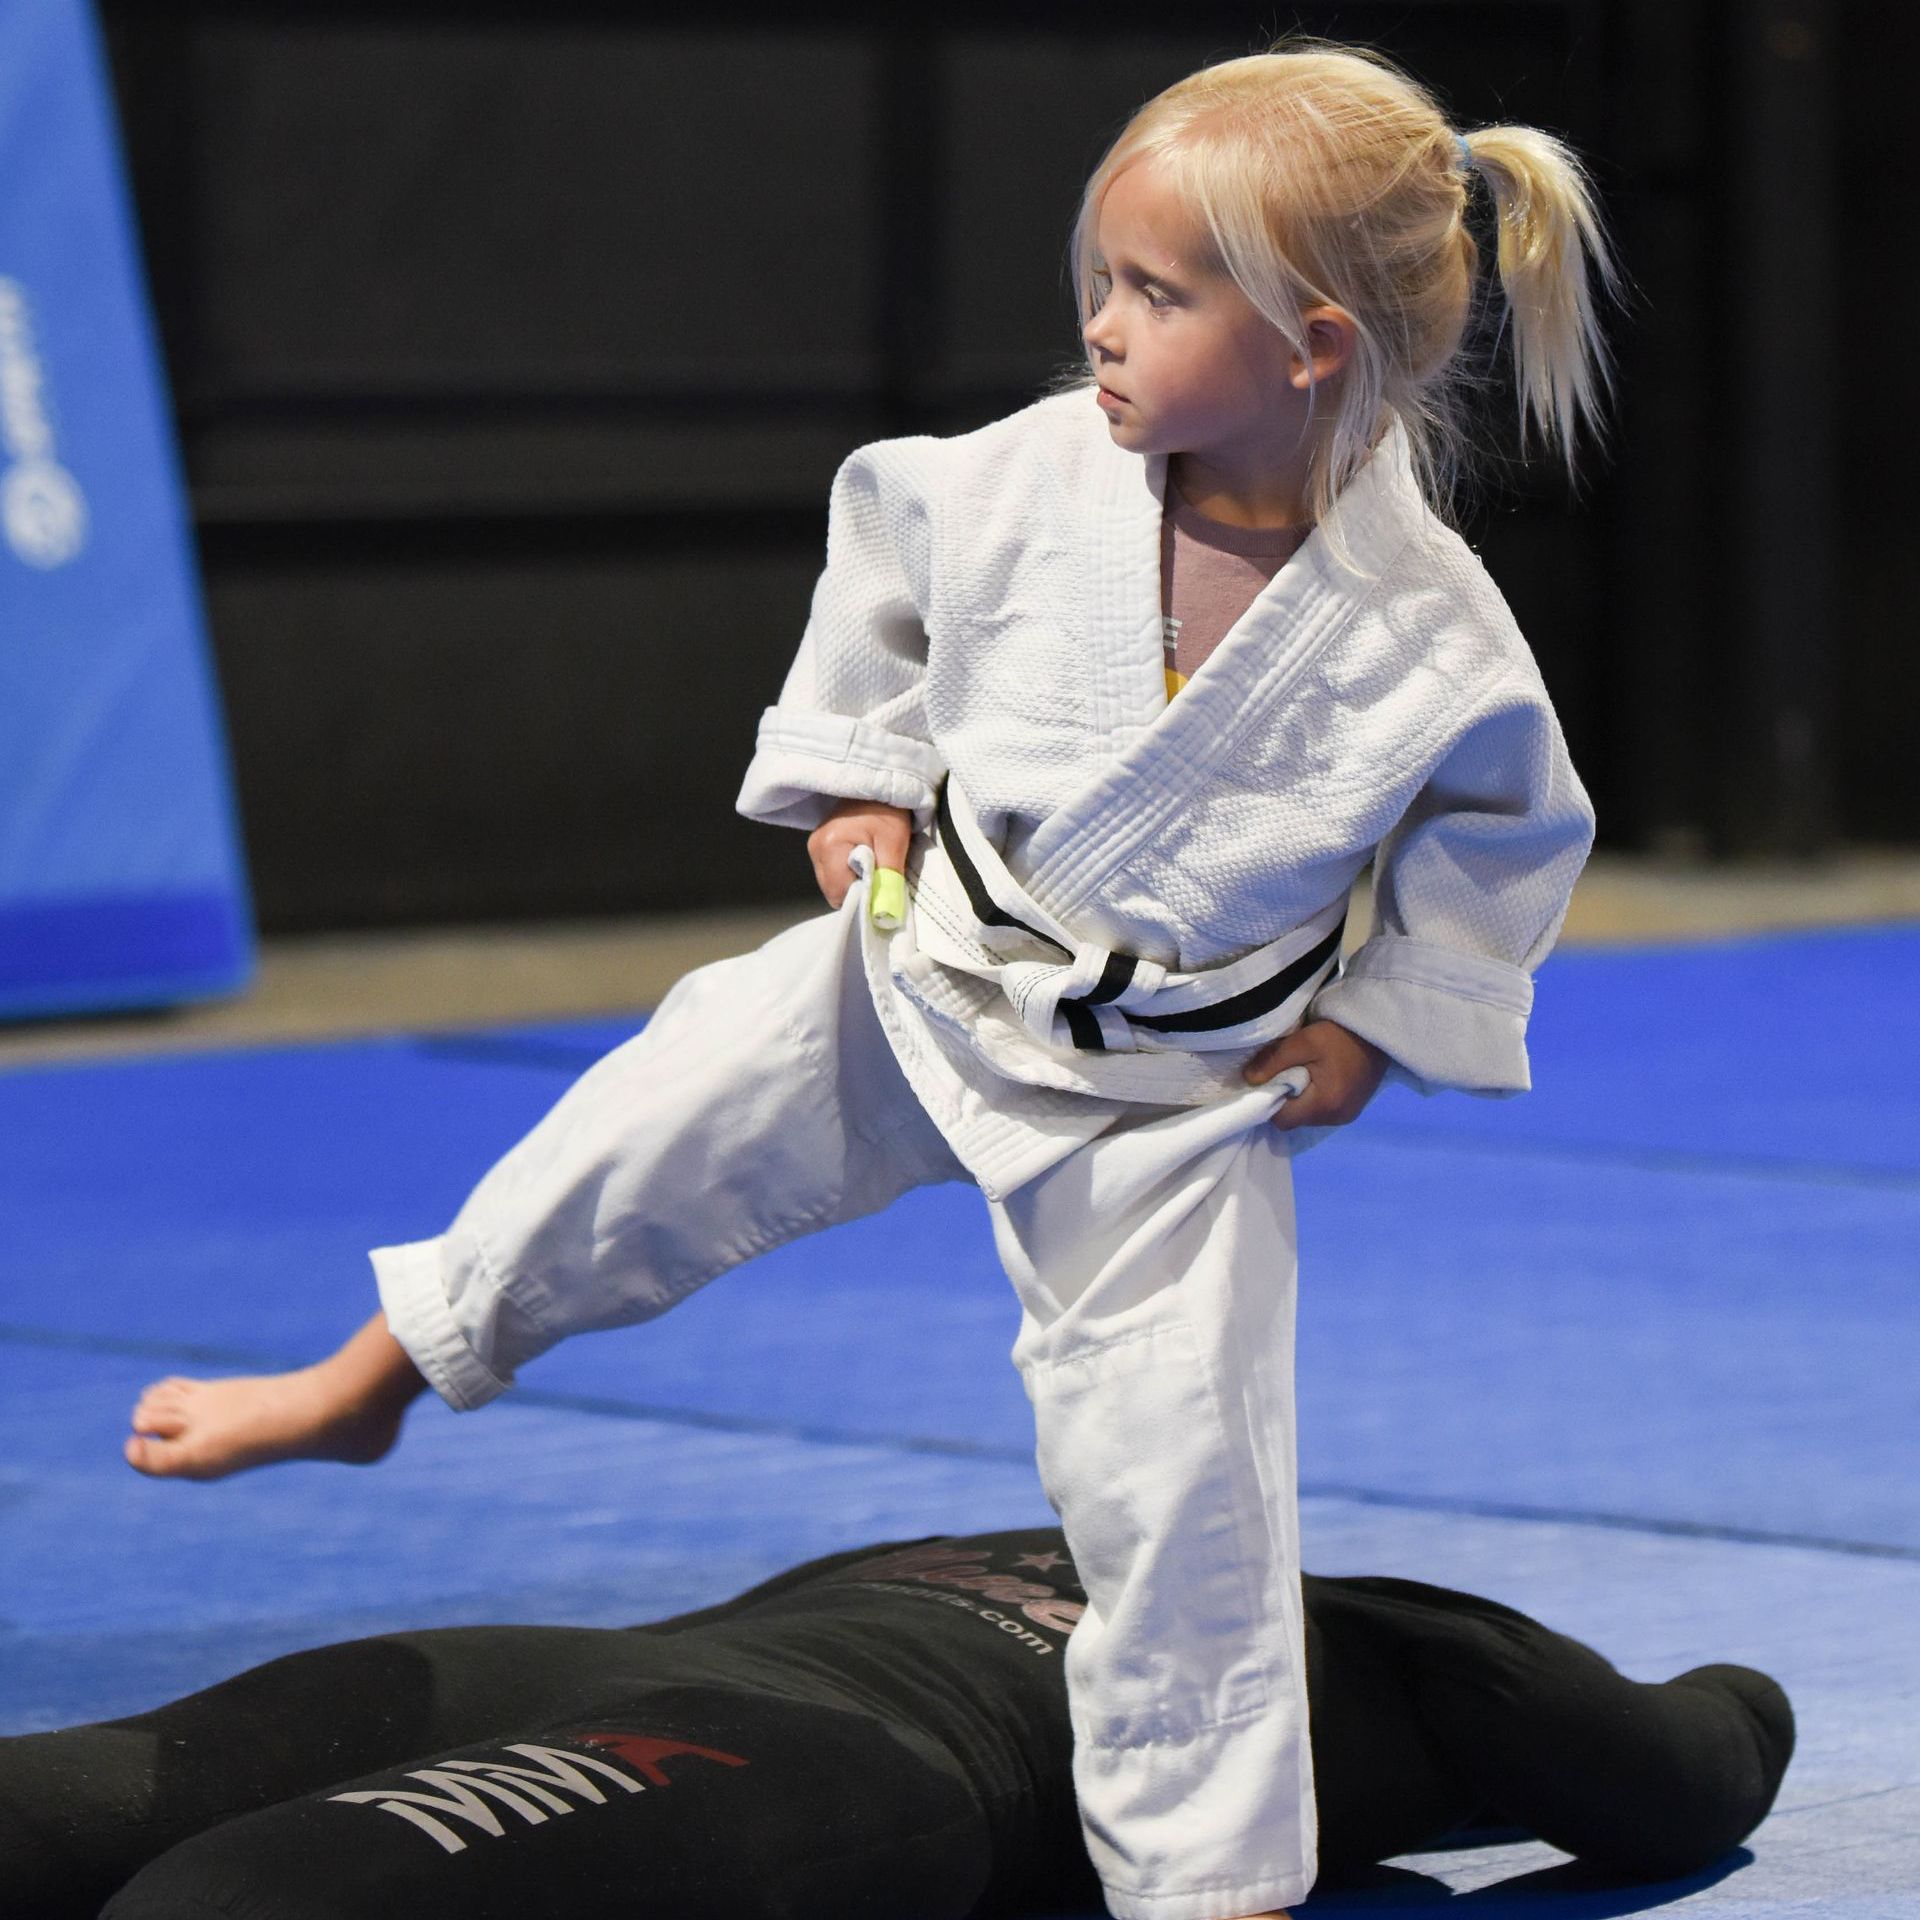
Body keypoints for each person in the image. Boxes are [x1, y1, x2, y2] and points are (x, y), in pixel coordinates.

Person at [123, 40, 1618, 1920]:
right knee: (639, 1130)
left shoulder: (1432, 635)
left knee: (1192, 1495)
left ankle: (1210, 1886)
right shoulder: (1019, 481)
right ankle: (367, 1374)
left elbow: (1504, 846)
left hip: (1173, 1099)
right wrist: (860, 785)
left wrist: (1374, 1027)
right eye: (1103, 277)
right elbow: (883, 591)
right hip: (926, 976)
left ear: (1314, 344)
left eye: (1158, 294)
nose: (1103, 326)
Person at [0, 1526, 1794, 1920]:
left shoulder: (1385, 1640)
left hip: (778, 1740)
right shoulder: (1385, 1634)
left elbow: (1694, 1756)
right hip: (616, 1692)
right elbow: (1693, 1761)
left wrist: (1741, 1710)